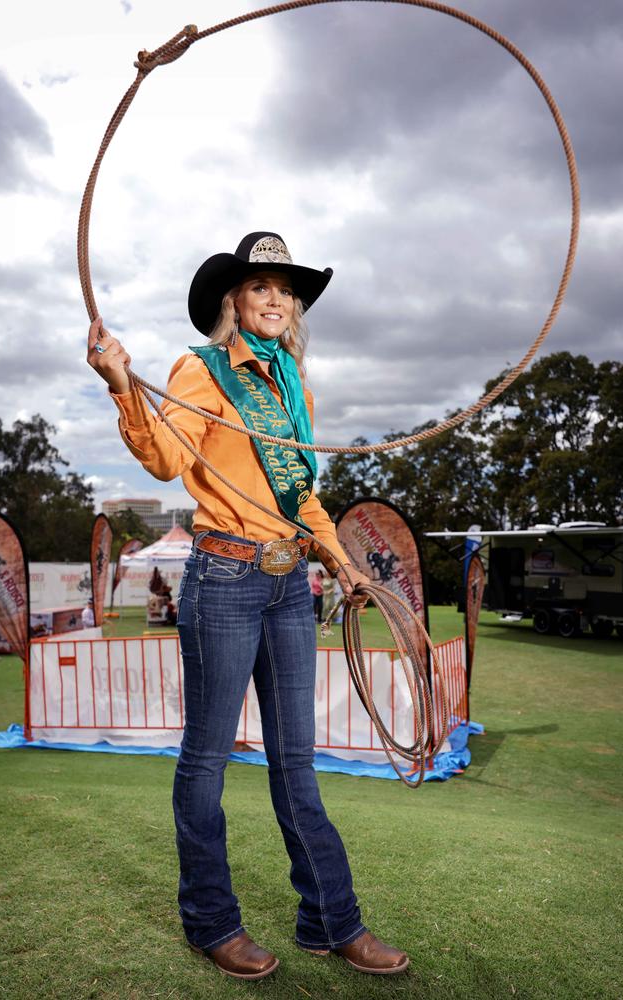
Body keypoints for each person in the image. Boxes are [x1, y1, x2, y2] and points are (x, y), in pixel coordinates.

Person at [87, 231, 408, 980]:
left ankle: (332, 922)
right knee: (206, 759)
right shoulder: (199, 372)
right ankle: (210, 922)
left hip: (292, 584)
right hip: (225, 579)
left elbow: (301, 494)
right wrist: (120, 384)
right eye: (260, 286)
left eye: (285, 289)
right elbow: (166, 459)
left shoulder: (292, 381)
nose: (275, 299)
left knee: (296, 762)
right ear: (233, 300)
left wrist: (339, 559)